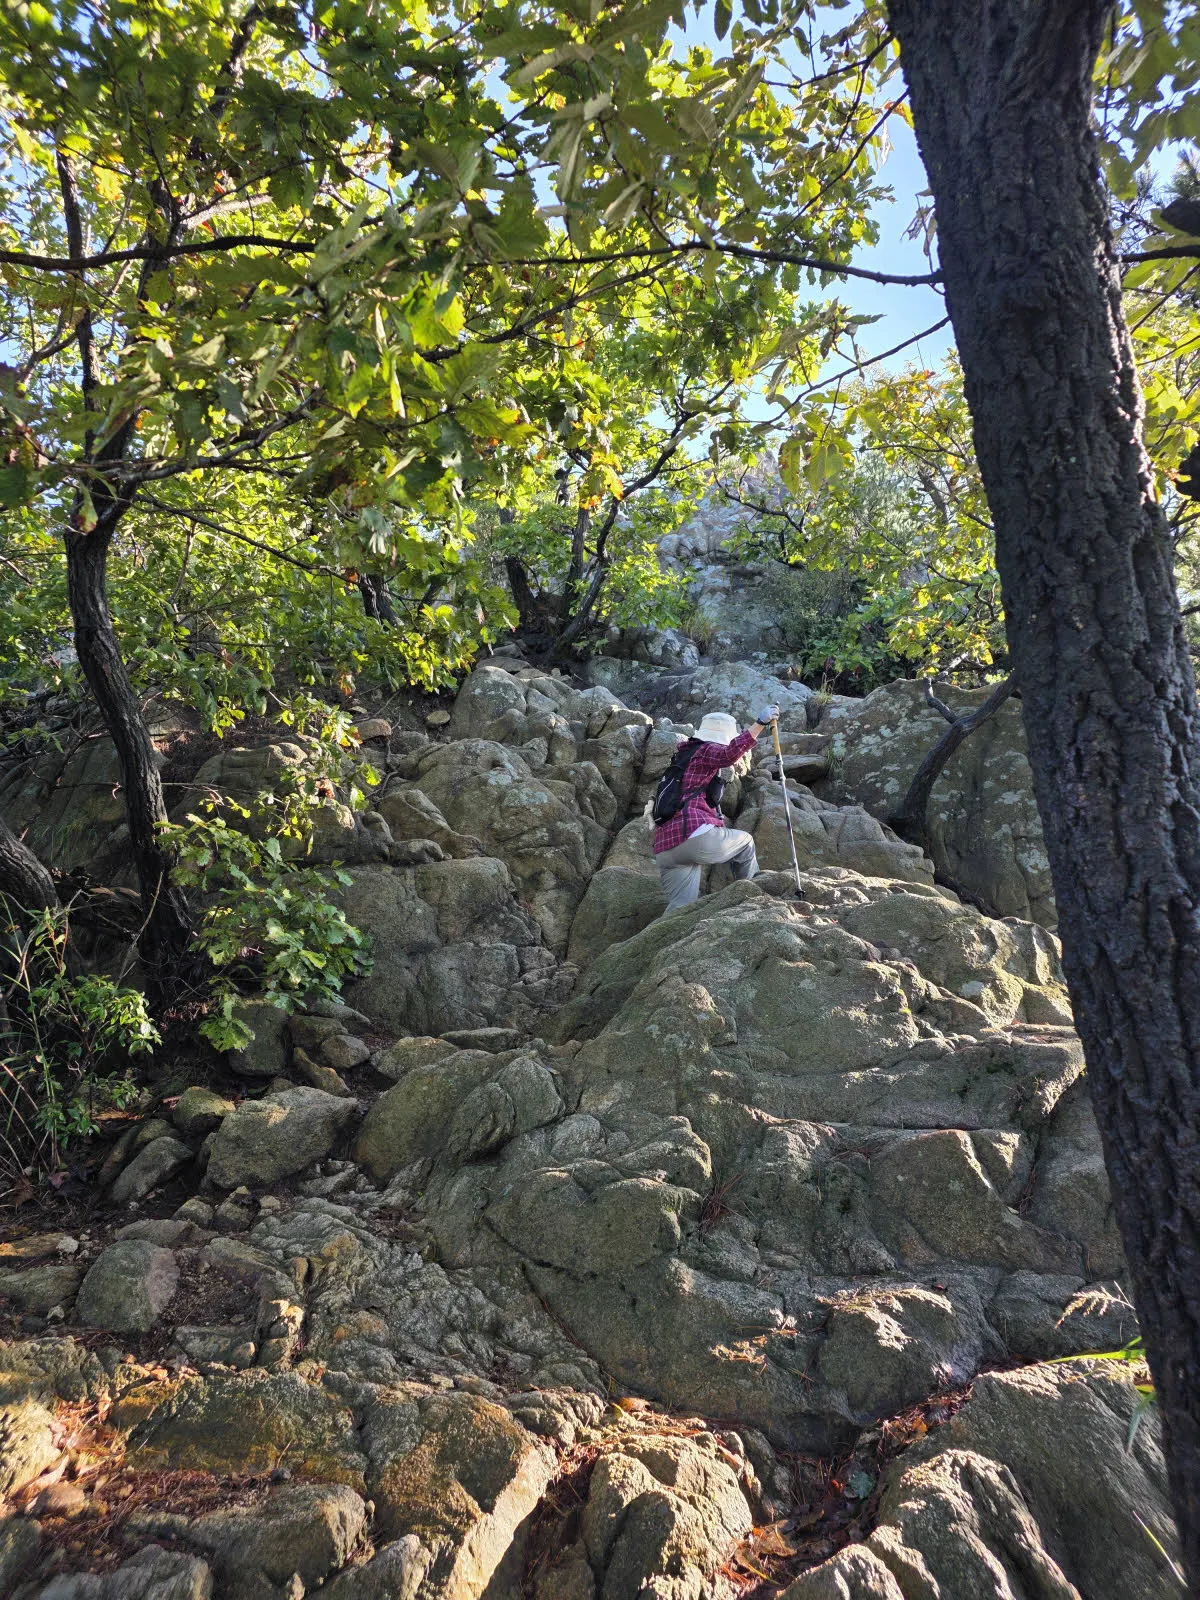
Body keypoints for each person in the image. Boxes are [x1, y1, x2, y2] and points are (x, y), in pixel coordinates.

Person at [652, 704, 780, 912]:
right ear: (723, 736)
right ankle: (753, 899)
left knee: (680, 909)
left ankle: (658, 942)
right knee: (746, 842)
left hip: (666, 848)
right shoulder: (705, 750)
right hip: (693, 837)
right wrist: (760, 724)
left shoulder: (681, 758)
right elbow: (728, 754)